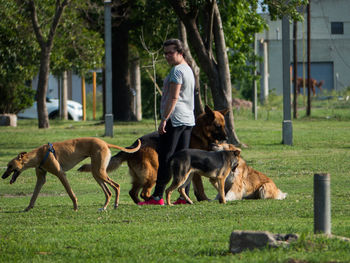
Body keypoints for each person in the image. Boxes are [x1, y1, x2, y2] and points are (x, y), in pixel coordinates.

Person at [138, 39, 195, 205]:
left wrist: (164, 119)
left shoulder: (177, 71)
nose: (167, 56)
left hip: (175, 119)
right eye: (165, 53)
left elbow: (174, 97)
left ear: (180, 53)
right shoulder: (188, 69)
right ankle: (184, 196)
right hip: (188, 119)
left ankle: (157, 197)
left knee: (165, 158)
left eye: (171, 52)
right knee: (184, 159)